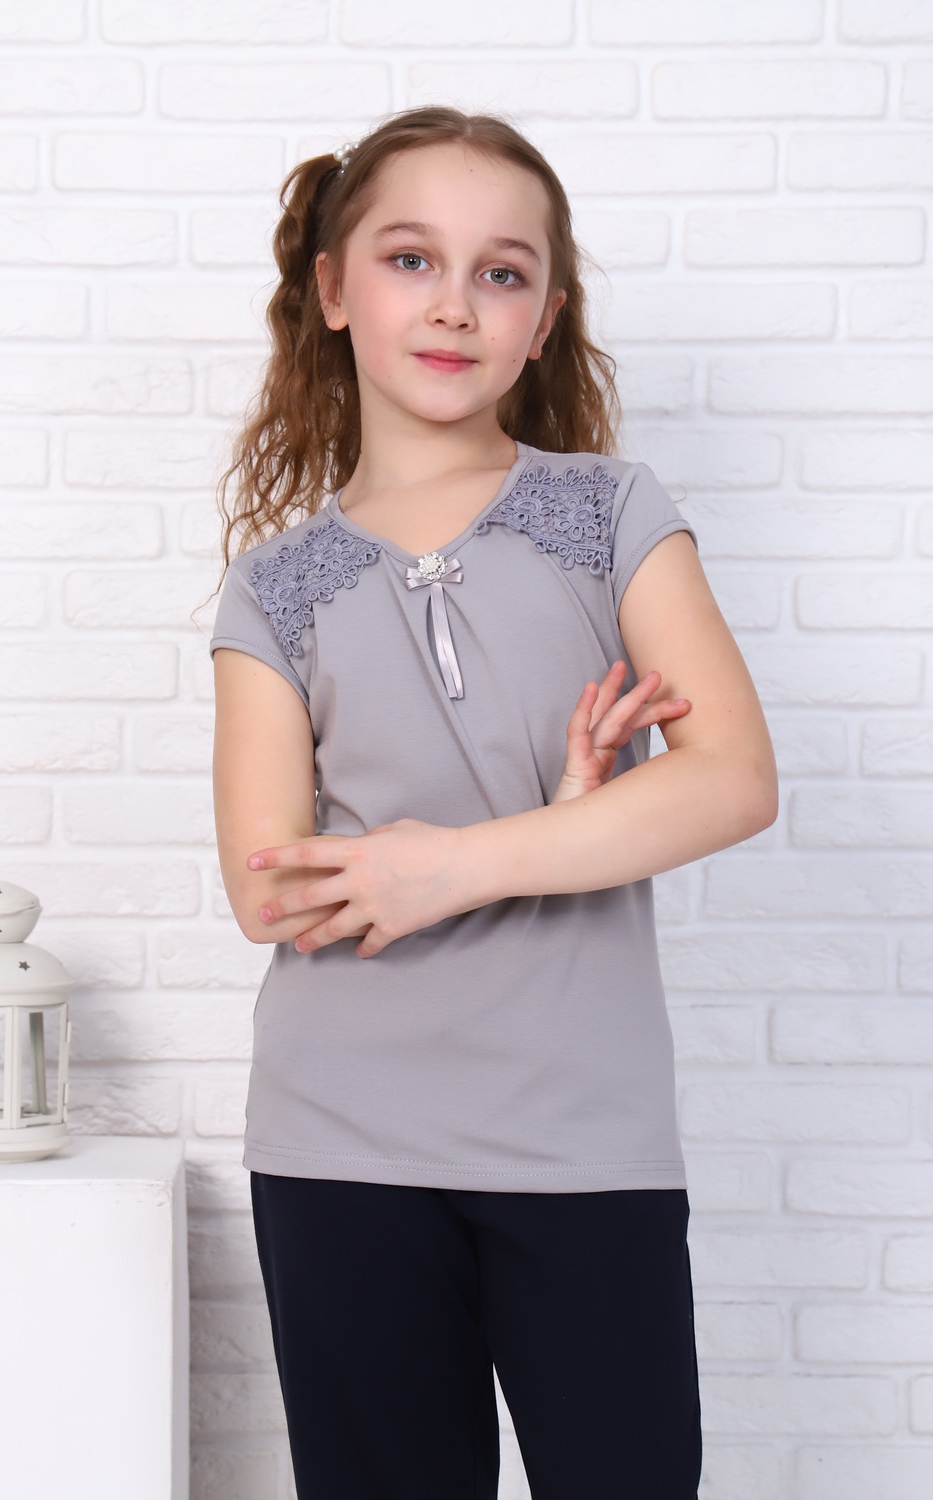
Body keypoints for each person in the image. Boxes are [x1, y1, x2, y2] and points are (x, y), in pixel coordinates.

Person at [210, 106, 777, 1500]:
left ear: (545, 321)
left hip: (585, 1142)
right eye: (411, 259)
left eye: (502, 272)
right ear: (333, 291)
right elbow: (272, 891)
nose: (455, 303)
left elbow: (732, 779)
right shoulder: (276, 589)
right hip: (342, 1145)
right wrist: (576, 832)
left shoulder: (608, 516)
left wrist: (469, 859)